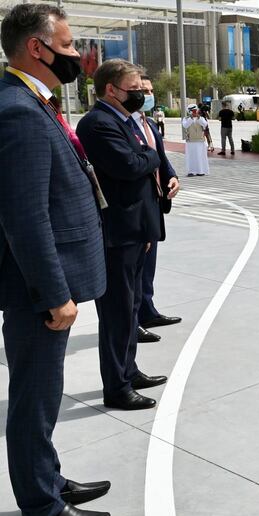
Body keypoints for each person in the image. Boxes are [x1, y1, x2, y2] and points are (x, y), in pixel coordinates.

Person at [0, 5, 112, 516]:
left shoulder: (33, 101)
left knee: (42, 396)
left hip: (48, 284)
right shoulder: (18, 110)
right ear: (36, 48)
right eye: (68, 47)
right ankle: (42, 511)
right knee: (34, 399)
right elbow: (25, 216)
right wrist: (53, 293)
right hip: (38, 292)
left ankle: (48, 479)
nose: (76, 56)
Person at [76, 58, 169, 411]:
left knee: (129, 308)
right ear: (111, 90)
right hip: (116, 233)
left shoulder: (123, 120)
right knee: (116, 313)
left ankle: (129, 372)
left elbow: (145, 157)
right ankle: (116, 387)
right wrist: (150, 155)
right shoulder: (98, 123)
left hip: (134, 230)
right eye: (134, 90)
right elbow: (132, 165)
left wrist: (147, 156)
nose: (140, 95)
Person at [132, 74, 182, 343]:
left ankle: (148, 310)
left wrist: (172, 176)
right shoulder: (127, 126)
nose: (148, 96)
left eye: (150, 91)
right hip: (138, 208)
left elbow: (160, 158)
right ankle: (136, 318)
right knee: (137, 267)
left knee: (148, 266)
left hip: (155, 204)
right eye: (143, 90)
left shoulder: (148, 123)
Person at [182, 105, 209, 176]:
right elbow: (185, 125)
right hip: (190, 141)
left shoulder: (201, 118)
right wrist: (191, 118)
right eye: (192, 111)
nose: (193, 112)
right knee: (191, 156)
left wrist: (198, 117)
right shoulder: (186, 119)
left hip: (200, 140)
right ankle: (191, 171)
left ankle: (200, 171)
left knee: (200, 156)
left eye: (194, 110)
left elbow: (205, 124)